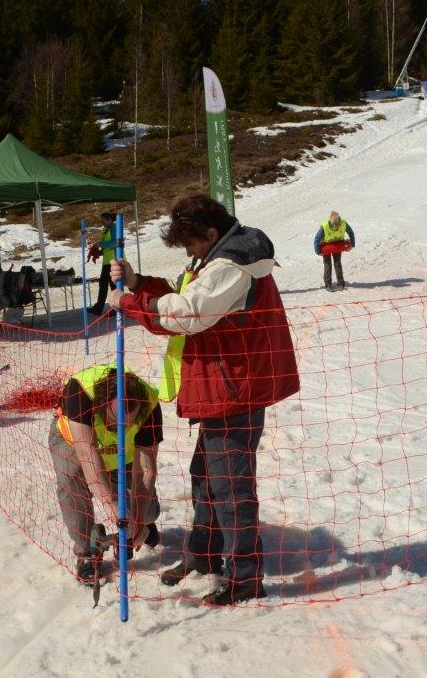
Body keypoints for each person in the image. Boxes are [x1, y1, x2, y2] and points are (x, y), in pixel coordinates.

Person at [107, 194, 300, 606]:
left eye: (191, 243)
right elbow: (184, 297)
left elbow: (188, 313)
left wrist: (129, 302)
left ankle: (244, 578)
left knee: (231, 488)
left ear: (211, 233)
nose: (188, 253)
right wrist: (140, 285)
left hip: (234, 391)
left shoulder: (231, 266)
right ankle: (204, 554)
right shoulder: (214, 259)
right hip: (221, 388)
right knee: (206, 478)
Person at [50, 363, 162, 584]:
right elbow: (88, 454)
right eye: (114, 421)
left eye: (128, 423)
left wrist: (138, 521)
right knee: (71, 479)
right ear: (102, 404)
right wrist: (112, 505)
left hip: (124, 452)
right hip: (75, 442)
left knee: (147, 511)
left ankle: (143, 523)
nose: (120, 429)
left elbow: (146, 470)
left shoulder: (150, 405)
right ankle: (86, 552)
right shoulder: (80, 391)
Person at [313, 210, 356, 291]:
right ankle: (328, 285)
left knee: (337, 263)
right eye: (334, 227)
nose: (336, 228)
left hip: (337, 245)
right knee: (327, 265)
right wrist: (318, 251)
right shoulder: (324, 227)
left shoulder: (343, 223)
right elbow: (317, 239)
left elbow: (351, 232)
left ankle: (341, 284)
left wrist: (352, 244)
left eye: (337, 226)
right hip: (326, 246)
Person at [86, 211, 117, 316]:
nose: (102, 223)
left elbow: (115, 243)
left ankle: (114, 308)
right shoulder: (107, 230)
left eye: (104, 221)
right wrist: (97, 252)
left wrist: (100, 243)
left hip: (114, 261)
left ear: (109, 220)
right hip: (108, 262)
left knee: (112, 285)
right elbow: (107, 248)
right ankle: (99, 308)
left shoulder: (114, 228)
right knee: (104, 284)